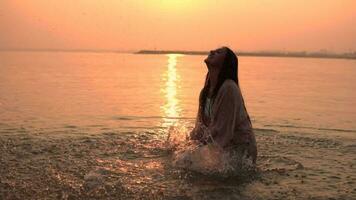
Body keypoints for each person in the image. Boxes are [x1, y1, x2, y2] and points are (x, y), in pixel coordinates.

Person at [189, 46, 257, 164]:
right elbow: (200, 127)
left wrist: (196, 152)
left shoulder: (229, 88)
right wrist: (187, 144)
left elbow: (222, 132)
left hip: (241, 152)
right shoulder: (205, 92)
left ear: (225, 64)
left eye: (218, 52)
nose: (211, 51)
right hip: (223, 146)